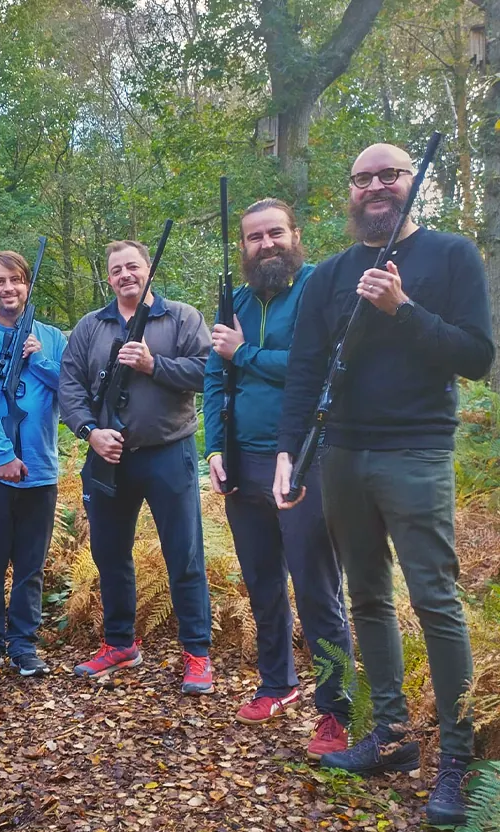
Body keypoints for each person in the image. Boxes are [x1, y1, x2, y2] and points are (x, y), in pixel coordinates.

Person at [274, 143, 495, 824]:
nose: (375, 186)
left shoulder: (451, 256)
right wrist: (291, 454)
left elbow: (477, 356)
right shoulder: (330, 275)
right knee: (365, 595)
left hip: (417, 450)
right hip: (342, 453)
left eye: (388, 175)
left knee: (434, 598)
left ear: (408, 184)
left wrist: (403, 307)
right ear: (350, 191)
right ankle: (393, 736)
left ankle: (455, 758)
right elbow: (305, 369)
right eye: (362, 177)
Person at [203, 199, 354, 758]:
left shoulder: (319, 290)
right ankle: (278, 683)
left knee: (318, 589)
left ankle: (338, 707)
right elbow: (214, 379)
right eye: (253, 238)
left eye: (274, 233)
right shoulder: (236, 301)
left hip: (308, 460)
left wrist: (246, 352)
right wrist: (214, 448)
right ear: (242, 248)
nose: (265, 245)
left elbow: (317, 368)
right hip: (243, 464)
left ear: (296, 234)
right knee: (262, 582)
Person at [59, 238, 214, 691]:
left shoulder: (181, 317)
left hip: (169, 453)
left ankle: (197, 653)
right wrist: (91, 432)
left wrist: (154, 364)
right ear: (107, 278)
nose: (125, 275)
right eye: (116, 270)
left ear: (148, 270)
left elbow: (208, 372)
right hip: (108, 457)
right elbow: (70, 386)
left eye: (132, 267)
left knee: (183, 554)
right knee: (109, 554)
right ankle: (120, 643)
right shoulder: (90, 326)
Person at [0, 251, 66, 678]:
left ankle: (23, 645)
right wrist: (2, 455)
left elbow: (72, 389)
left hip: (40, 471)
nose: (9, 288)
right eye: (0, 281)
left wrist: (39, 358)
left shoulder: (53, 337)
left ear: (26, 286)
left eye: (17, 280)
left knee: (30, 566)